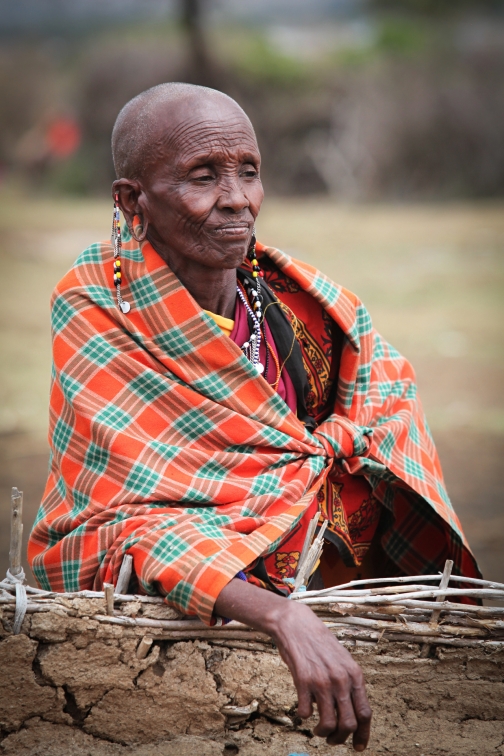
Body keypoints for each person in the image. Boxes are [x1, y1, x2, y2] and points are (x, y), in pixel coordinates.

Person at [28, 83, 480, 751]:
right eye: (202, 176)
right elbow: (119, 523)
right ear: (131, 200)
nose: (237, 197)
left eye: (249, 171)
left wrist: (327, 454)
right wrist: (279, 617)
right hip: (188, 606)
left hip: (324, 581)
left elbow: (384, 402)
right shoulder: (100, 309)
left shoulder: (305, 310)